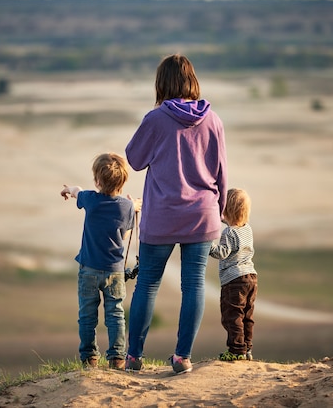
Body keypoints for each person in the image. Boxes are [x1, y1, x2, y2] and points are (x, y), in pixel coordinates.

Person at [124, 54, 228, 374]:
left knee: (147, 285)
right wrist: (220, 212)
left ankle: (134, 357)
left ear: (161, 83)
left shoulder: (155, 119)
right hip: (202, 214)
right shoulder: (214, 120)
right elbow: (221, 171)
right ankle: (182, 357)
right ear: (192, 80)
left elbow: (134, 159)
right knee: (194, 285)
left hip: (162, 216)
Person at [60, 152, 141, 370]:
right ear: (123, 182)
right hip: (114, 271)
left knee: (87, 314)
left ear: (97, 181)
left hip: (88, 269)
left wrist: (69, 190)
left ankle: (89, 359)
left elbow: (78, 191)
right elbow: (123, 235)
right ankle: (116, 358)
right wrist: (133, 206)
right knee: (115, 313)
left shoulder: (91, 200)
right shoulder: (126, 207)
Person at [209, 188, 257, 362]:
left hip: (234, 280)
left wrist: (208, 244)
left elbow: (222, 252)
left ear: (225, 210)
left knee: (232, 315)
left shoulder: (228, 233)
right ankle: (247, 348)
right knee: (247, 315)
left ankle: (236, 351)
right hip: (251, 277)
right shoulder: (247, 229)